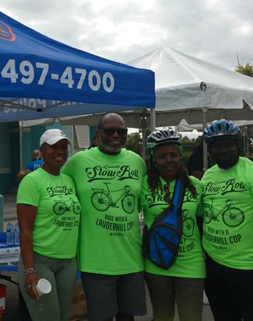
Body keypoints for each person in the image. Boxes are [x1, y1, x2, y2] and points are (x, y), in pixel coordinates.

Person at [62, 113, 147, 321]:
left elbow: (142, 203)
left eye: (122, 131)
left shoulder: (137, 162)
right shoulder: (77, 162)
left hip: (132, 259)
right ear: (98, 134)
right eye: (110, 131)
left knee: (127, 316)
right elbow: (55, 184)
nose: (116, 135)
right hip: (95, 262)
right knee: (101, 318)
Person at [200, 119, 253, 321]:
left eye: (228, 144)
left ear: (238, 145)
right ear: (209, 150)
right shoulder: (208, 176)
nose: (223, 150)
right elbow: (201, 216)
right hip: (214, 265)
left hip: (249, 267)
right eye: (216, 146)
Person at [141, 130, 204, 321]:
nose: (168, 160)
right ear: (153, 158)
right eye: (162, 156)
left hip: (191, 262)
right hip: (156, 263)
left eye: (173, 155)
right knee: (162, 316)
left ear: (180, 155)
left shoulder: (195, 185)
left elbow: (203, 220)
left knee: (191, 317)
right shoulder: (143, 185)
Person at [17, 129, 80, 321]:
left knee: (62, 317)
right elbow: (25, 231)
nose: (59, 151)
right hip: (40, 261)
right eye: (54, 147)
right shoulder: (32, 181)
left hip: (68, 261)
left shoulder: (69, 180)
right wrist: (30, 271)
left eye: (63, 147)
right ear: (42, 150)